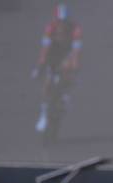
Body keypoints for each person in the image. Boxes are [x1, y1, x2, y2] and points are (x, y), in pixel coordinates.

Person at [32, 4, 82, 133]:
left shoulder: (75, 29)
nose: (62, 26)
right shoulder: (50, 28)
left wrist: (74, 68)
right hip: (54, 53)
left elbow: (76, 52)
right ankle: (43, 115)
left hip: (67, 54)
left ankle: (65, 94)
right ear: (55, 20)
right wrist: (40, 66)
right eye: (59, 22)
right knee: (47, 84)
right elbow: (45, 50)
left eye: (64, 22)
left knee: (69, 68)